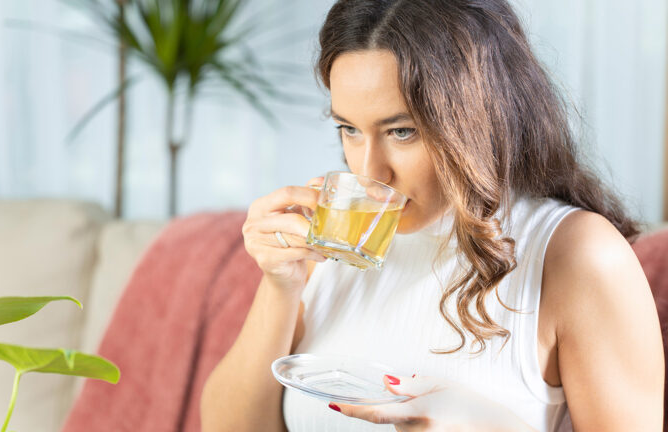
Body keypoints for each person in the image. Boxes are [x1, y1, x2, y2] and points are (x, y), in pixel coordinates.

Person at [200, 0, 664, 430]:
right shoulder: (342, 247)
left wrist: (473, 422)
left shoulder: (578, 254)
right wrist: (281, 284)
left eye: (401, 132)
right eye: (349, 129)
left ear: (480, 118)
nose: (368, 171)